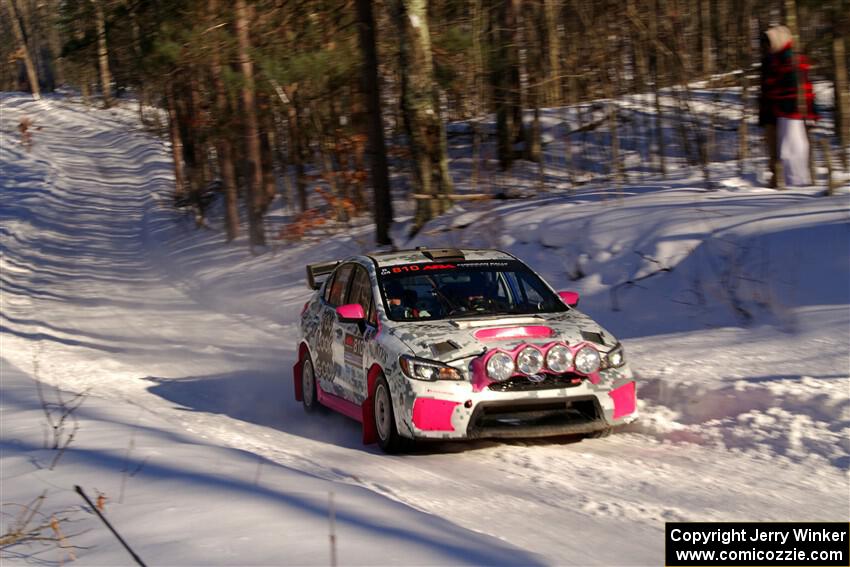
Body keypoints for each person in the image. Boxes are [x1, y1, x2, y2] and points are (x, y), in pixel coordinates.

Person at [758, 24, 818, 187]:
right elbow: (766, 89)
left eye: (770, 42)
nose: (767, 46)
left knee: (792, 151)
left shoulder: (793, 59)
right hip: (775, 113)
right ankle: (778, 184)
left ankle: (797, 186)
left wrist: (811, 112)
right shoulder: (771, 60)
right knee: (777, 151)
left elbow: (803, 88)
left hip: (791, 113)